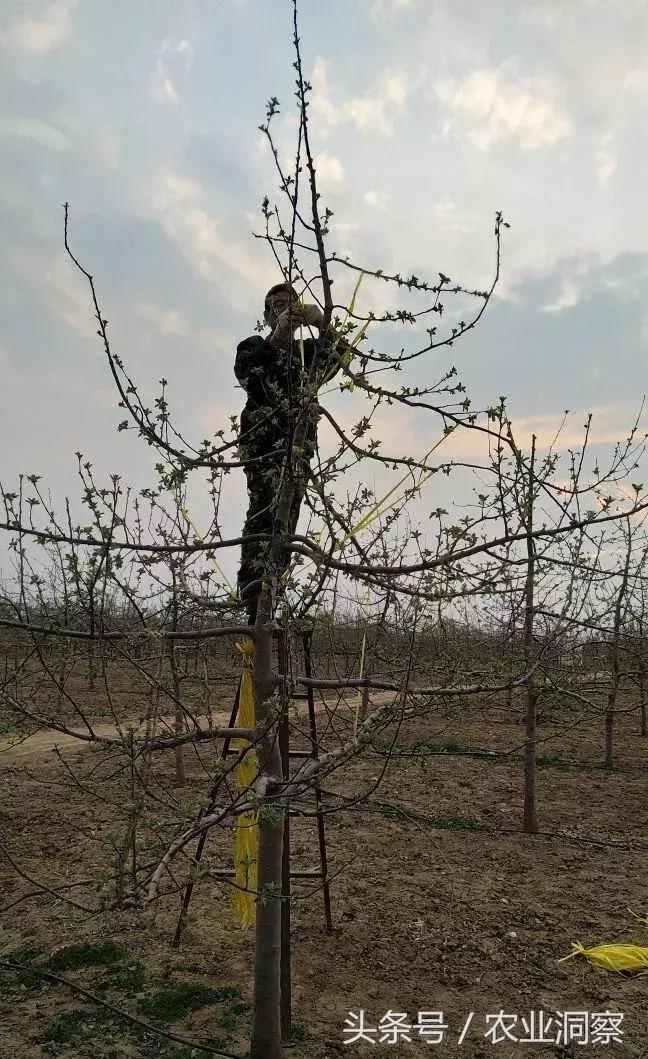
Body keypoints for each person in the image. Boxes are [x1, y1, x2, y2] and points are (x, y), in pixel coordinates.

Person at [234, 282, 347, 623]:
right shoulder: (254, 346)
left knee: (286, 520)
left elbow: (340, 357)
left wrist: (324, 323)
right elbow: (249, 374)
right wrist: (278, 334)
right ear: (267, 315)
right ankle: (253, 592)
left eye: (290, 305)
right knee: (263, 512)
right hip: (264, 451)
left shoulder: (307, 354)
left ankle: (273, 587)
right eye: (276, 306)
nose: (283, 310)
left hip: (297, 452)